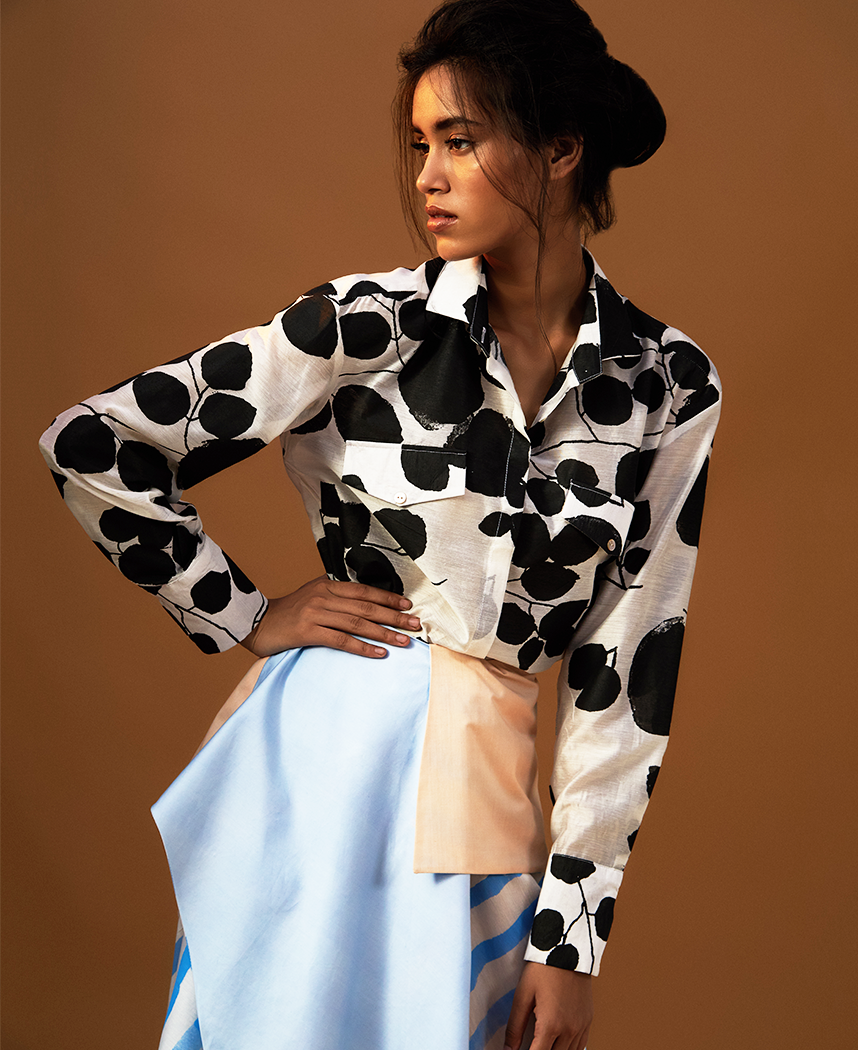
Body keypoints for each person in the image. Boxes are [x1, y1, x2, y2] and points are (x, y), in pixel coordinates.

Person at [38, 1, 721, 1047]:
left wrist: (571, 940)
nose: (428, 178)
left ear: (561, 150)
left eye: (461, 141)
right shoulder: (368, 324)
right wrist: (245, 613)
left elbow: (626, 670)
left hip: (488, 786)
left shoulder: (665, 383)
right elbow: (93, 442)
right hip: (323, 770)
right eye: (419, 145)